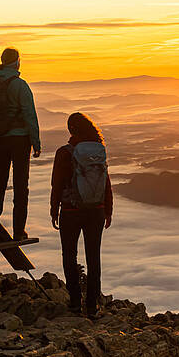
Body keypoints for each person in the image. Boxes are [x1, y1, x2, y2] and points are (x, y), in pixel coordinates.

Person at [0, 46, 41, 239]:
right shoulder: (19, 85)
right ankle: (19, 231)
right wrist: (36, 143)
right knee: (21, 186)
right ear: (17, 61)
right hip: (20, 140)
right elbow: (29, 114)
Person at [50, 111, 112, 317]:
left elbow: (57, 184)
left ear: (71, 130)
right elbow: (106, 182)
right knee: (94, 258)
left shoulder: (65, 152)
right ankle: (92, 306)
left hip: (71, 210)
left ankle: (75, 303)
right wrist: (108, 210)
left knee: (69, 255)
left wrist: (54, 209)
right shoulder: (99, 150)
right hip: (96, 211)